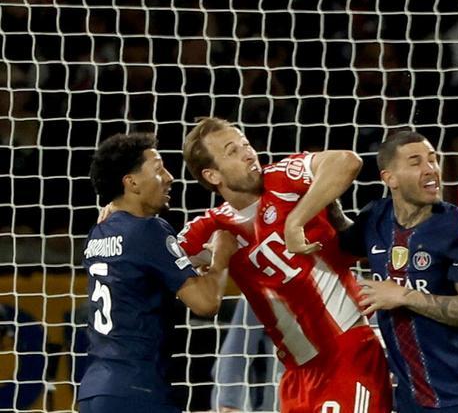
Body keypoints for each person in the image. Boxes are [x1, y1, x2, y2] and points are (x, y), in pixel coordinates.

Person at [176, 118, 392, 413]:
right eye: (232, 151)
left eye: (245, 145)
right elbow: (158, 261)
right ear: (212, 175)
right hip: (296, 373)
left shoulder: (281, 179)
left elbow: (346, 161)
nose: (248, 153)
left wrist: (296, 220)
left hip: (348, 353)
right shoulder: (212, 227)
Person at [338, 130, 458, 412]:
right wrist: (321, 197)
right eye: (416, 162)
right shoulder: (375, 218)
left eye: (433, 159)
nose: (431, 170)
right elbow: (340, 244)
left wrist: (404, 295)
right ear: (389, 178)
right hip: (411, 400)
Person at [80, 133, 234, 413]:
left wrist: (198, 258)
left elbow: (142, 268)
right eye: (159, 168)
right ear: (132, 182)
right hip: (138, 390)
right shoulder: (150, 229)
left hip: (94, 391)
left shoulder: (98, 231)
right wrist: (222, 255)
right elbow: (206, 303)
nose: (170, 176)